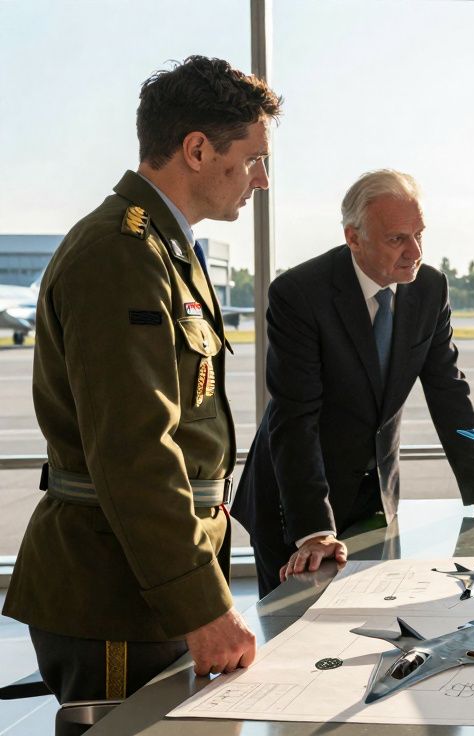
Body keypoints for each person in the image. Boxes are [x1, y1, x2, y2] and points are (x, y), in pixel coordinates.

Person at [3, 56, 281, 702]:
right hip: (119, 599)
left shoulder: (161, 247)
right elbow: (136, 455)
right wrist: (201, 606)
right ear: (196, 149)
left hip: (146, 588)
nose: (261, 180)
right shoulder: (119, 254)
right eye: (254, 158)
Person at [232, 169, 474, 597]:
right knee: (296, 639)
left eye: (419, 234)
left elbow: (447, 388)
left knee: (373, 625)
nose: (414, 251)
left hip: (376, 496)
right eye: (397, 239)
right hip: (296, 503)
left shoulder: (429, 288)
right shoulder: (299, 293)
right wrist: (314, 530)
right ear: (353, 238)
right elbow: (295, 417)